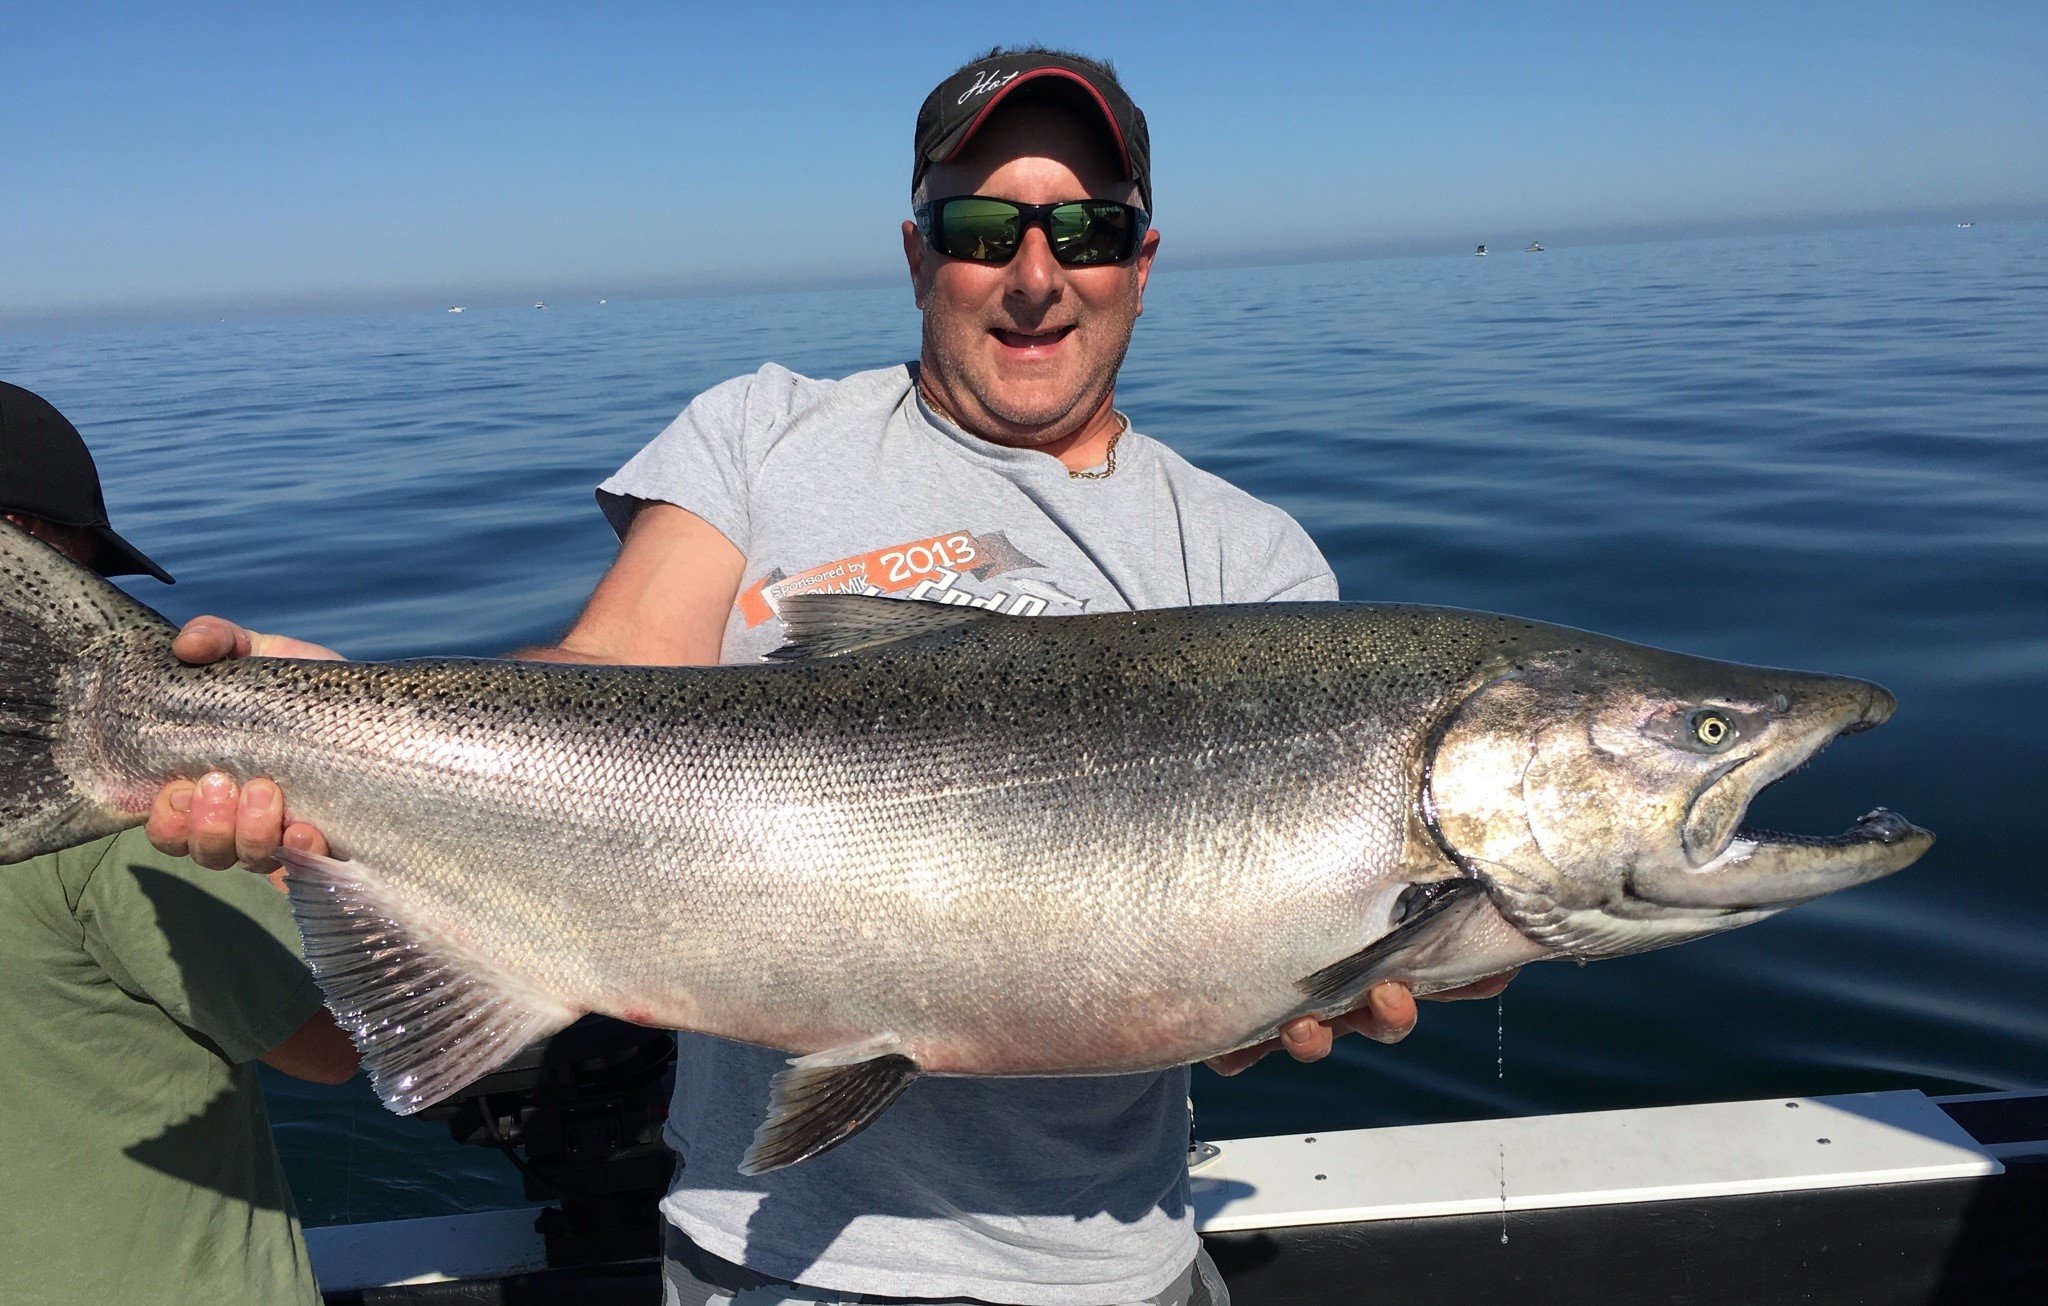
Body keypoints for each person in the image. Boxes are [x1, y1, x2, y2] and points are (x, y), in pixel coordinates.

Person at [145, 48, 1511, 1306]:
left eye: (1083, 230)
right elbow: (611, 677)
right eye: (984, 229)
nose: (1034, 273)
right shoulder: (759, 432)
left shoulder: (1250, 560)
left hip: (1109, 1268)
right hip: (766, 1264)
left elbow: (1302, 967)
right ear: (918, 253)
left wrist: (1313, 988)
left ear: (1141, 259)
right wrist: (306, 716)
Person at [0, 381, 360, 1306]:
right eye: (86, 578)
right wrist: (307, 861)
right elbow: (329, 1049)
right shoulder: (100, 819)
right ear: (30, 554)